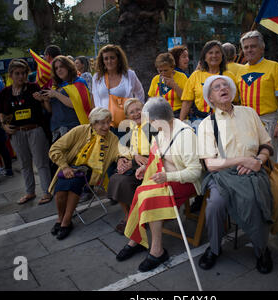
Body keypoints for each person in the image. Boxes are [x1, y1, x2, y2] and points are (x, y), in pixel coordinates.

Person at [197, 75, 274, 274]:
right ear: (210, 98)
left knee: (257, 198)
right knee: (215, 205)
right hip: (223, 175)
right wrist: (242, 161)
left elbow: (266, 144)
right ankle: (214, 248)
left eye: (226, 85)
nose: (223, 88)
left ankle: (261, 248)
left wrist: (258, 161)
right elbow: (210, 163)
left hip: (254, 169)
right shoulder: (207, 123)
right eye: (216, 87)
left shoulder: (249, 113)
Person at [116, 97, 202, 272]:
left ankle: (157, 250)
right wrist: (145, 168)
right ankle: (137, 240)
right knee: (141, 191)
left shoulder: (185, 136)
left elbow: (195, 172)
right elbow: (157, 157)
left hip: (184, 180)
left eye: (149, 121)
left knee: (150, 197)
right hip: (165, 174)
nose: (148, 125)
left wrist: (168, 175)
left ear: (157, 120)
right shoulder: (161, 131)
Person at [48, 107, 130, 240]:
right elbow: (55, 148)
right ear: (93, 123)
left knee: (75, 183)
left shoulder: (112, 138)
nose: (106, 126)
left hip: (91, 172)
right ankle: (60, 218)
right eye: (102, 123)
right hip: (70, 167)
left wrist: (122, 158)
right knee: (60, 191)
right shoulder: (80, 130)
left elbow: (122, 151)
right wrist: (64, 166)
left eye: (108, 122)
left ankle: (66, 222)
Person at [0, 59, 52, 205]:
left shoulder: (33, 87)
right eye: (17, 73)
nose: (21, 77)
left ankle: (47, 192)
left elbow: (48, 110)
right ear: (10, 75)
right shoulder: (5, 92)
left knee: (41, 162)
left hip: (35, 130)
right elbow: (2, 113)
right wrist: (4, 126)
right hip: (16, 133)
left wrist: (43, 100)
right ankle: (30, 192)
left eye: (23, 73)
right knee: (24, 163)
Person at [236, 30, 278, 170]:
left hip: (270, 121)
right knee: (251, 159)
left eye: (253, 46)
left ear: (262, 47)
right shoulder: (240, 71)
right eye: (246, 47)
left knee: (274, 160)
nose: (249, 50)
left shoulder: (274, 67)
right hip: (247, 123)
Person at [107, 98, 156, 234]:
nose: (136, 114)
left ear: (144, 110)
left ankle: (136, 217)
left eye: (138, 110)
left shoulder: (151, 126)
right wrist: (124, 159)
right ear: (127, 117)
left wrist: (133, 162)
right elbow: (131, 148)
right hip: (137, 163)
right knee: (116, 176)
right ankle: (129, 215)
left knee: (123, 181)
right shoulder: (133, 128)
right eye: (131, 112)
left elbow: (157, 153)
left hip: (151, 165)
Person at [179, 40, 237, 128]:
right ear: (204, 57)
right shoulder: (196, 76)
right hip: (200, 122)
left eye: (217, 52)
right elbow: (187, 102)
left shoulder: (229, 76)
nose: (214, 56)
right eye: (210, 53)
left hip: (225, 121)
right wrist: (181, 124)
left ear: (222, 56)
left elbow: (235, 101)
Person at [37, 55, 93, 143]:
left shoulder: (79, 83)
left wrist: (56, 94)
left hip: (73, 127)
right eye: (56, 68)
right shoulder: (56, 87)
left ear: (68, 67)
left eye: (61, 66)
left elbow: (77, 105)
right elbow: (50, 110)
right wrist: (45, 100)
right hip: (56, 129)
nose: (59, 70)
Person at [91, 44, 145, 135]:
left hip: (127, 123)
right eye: (106, 58)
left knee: (127, 148)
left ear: (118, 59)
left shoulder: (129, 75)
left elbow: (139, 92)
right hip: (106, 124)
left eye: (112, 58)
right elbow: (96, 99)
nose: (109, 61)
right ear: (102, 61)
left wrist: (137, 111)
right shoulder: (97, 77)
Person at [148, 53, 188, 118]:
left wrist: (174, 86)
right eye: (160, 71)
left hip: (177, 114)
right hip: (160, 115)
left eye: (166, 70)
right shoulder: (156, 79)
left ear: (172, 67)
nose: (163, 73)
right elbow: (151, 100)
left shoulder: (182, 77)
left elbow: (186, 99)